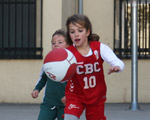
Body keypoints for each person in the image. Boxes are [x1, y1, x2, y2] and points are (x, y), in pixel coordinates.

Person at [64, 14, 125, 120]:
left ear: (87, 32)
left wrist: (117, 66)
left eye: (80, 31)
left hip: (96, 96)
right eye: (72, 32)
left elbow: (118, 62)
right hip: (75, 96)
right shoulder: (67, 53)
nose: (76, 35)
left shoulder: (99, 48)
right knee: (69, 118)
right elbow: (62, 75)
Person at [31, 29, 69, 120]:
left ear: (68, 45)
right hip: (49, 104)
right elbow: (43, 78)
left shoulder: (72, 62)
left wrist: (70, 96)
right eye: (53, 43)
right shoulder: (49, 62)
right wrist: (37, 89)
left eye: (60, 42)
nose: (56, 44)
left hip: (66, 105)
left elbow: (78, 83)